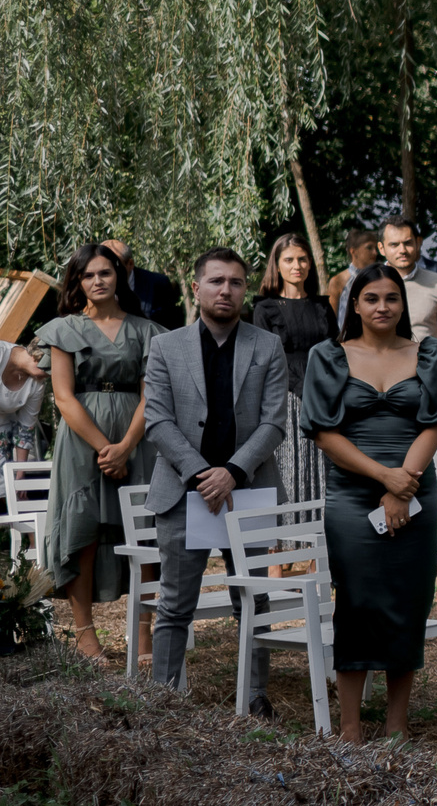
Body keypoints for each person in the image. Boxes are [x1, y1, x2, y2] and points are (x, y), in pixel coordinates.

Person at [304, 265, 437, 741]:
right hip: (352, 495)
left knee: (407, 600)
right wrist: (383, 478)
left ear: (402, 305)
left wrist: (402, 485)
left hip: (415, 491)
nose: (383, 306)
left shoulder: (432, 354)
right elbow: (325, 435)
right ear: (354, 304)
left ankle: (397, 723)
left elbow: (436, 422)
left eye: (392, 298)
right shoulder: (327, 356)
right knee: (356, 601)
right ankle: (349, 728)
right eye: (371, 298)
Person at [142, 249, 287, 708]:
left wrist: (233, 472)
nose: (227, 290)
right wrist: (205, 474)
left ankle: (255, 696)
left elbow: (273, 424)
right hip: (185, 494)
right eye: (217, 281)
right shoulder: (165, 346)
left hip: (249, 491)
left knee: (254, 601)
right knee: (174, 607)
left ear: (247, 289)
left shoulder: (267, 346)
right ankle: (162, 702)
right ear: (196, 287)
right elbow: (158, 422)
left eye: (237, 282)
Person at [38, 244, 162, 660]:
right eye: (88, 275)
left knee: (143, 533)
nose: (97, 281)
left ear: (119, 276)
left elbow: (152, 396)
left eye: (105, 273)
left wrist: (125, 446)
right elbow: (63, 396)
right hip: (82, 441)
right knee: (84, 532)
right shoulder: (63, 329)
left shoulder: (146, 331)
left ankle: (143, 631)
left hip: (135, 436)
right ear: (78, 282)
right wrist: (105, 449)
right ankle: (85, 634)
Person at [369, 219, 437, 554]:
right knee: (390, 473)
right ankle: (408, 546)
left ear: (419, 243)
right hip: (383, 397)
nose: (402, 250)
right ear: (381, 248)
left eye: (408, 242)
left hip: (430, 396)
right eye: (394, 244)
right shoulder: (369, 285)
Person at [251, 233, 338, 507]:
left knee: (323, 464)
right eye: (288, 260)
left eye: (302, 259)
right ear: (277, 265)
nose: (296, 265)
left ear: (310, 264)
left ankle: (321, 535)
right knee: (291, 465)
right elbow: (267, 358)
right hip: (286, 397)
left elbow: (336, 351)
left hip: (324, 395)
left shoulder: (323, 307)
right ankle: (288, 541)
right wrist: (301, 389)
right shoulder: (264, 308)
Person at [102, 240, 185, 331]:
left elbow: (173, 325)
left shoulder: (158, 284)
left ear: (130, 264)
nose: (109, 272)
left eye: (115, 265)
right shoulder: (92, 287)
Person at [0, 340, 42, 462]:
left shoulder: (38, 381)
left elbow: (26, 428)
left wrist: (20, 473)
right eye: (49, 368)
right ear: (38, 356)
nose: (50, 375)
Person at [327, 232, 380, 314]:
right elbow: (330, 319)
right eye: (369, 248)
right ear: (353, 251)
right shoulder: (338, 281)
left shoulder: (379, 279)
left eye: (375, 248)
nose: (375, 253)